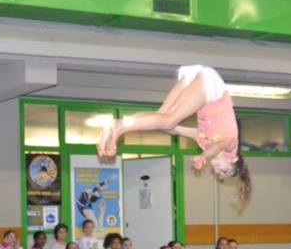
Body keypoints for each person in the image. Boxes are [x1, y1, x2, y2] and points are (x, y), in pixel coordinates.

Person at [97, 64, 251, 205]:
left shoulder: (204, 141)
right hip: (212, 89)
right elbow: (217, 146)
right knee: (168, 120)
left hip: (197, 79)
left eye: (219, 173)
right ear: (234, 159)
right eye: (224, 170)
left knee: (161, 117)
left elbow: (175, 129)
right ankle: (119, 126)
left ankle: (119, 123)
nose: (217, 170)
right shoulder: (231, 145)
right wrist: (203, 156)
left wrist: (158, 127)